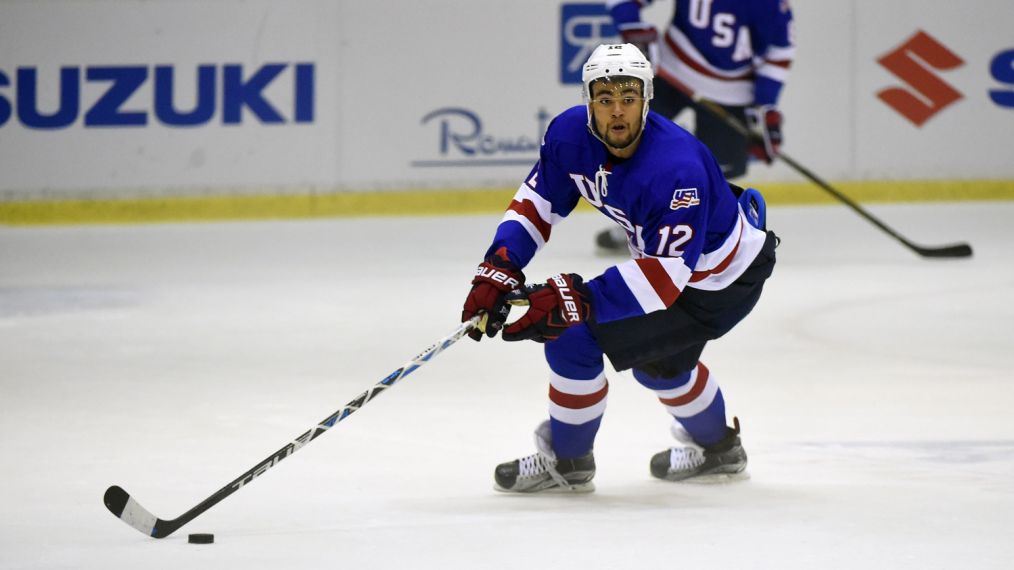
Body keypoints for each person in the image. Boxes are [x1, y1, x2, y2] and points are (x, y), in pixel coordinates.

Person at [460, 43, 778, 493]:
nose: (617, 112)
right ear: (587, 100)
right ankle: (720, 450)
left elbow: (664, 281)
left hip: (720, 282)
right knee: (659, 367)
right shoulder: (570, 136)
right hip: (678, 269)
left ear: (647, 102)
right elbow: (537, 203)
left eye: (628, 99)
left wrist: (577, 299)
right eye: (604, 99)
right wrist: (499, 265)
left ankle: (567, 461)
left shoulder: (676, 169)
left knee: (573, 336)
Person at [595, 0, 795, 252]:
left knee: (720, 173)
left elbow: (779, 52)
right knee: (640, 149)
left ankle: (714, 234)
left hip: (731, 93)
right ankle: (638, 225)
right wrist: (631, 25)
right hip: (672, 71)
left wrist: (764, 108)